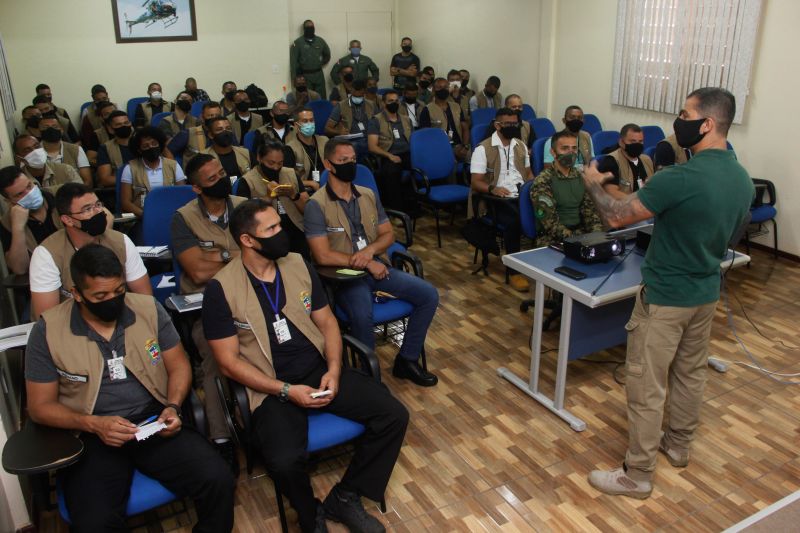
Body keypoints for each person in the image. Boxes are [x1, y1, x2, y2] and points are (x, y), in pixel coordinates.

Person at [583, 87, 754, 499]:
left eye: (685, 114)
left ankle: (638, 474)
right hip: (705, 292)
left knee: (646, 385)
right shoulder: (741, 178)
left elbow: (615, 217)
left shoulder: (680, 177)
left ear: (707, 124)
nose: (678, 123)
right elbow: (731, 235)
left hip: (665, 297)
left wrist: (593, 185)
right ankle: (678, 445)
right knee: (690, 373)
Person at [205, 199, 407, 533]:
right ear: (247, 240)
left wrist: (333, 368)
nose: (281, 232)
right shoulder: (221, 289)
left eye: (279, 224)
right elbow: (228, 363)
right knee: (284, 462)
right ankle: (309, 514)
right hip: (269, 385)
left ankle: (346, 496)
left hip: (317, 369)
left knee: (394, 415)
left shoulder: (297, 264)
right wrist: (286, 390)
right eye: (271, 229)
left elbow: (327, 323)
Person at [25, 244, 235, 533]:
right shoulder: (49, 330)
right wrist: (93, 424)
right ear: (76, 294)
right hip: (92, 434)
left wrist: (172, 406)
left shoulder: (148, 309)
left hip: (152, 421)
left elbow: (179, 365)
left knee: (218, 479)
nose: (112, 301)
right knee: (94, 522)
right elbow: (40, 407)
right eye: (100, 296)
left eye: (119, 291)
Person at [305, 140, 439, 387]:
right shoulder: (316, 204)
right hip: (343, 276)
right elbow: (322, 255)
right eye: (343, 160)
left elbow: (388, 235)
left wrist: (369, 252)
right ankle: (368, 379)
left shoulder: (367, 194)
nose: (350, 164)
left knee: (428, 295)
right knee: (361, 314)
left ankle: (407, 360)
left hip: (376, 266)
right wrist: (366, 262)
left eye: (353, 159)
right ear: (328, 164)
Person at [171, 154, 246, 468]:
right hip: (207, 303)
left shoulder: (244, 206)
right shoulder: (183, 218)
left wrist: (216, 255)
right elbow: (198, 272)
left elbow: (264, 253)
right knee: (216, 358)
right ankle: (221, 438)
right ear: (197, 188)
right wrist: (235, 253)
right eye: (212, 179)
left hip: (249, 296)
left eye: (222, 173)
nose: (222, 180)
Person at [29, 183, 151, 319]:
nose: (97, 212)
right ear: (68, 220)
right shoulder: (46, 254)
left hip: (119, 318)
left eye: (98, 205)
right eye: (87, 209)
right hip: (71, 325)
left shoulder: (121, 241)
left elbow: (145, 299)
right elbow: (47, 318)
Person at [469, 108, 533, 291]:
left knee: (544, 212)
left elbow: (528, 173)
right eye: (508, 124)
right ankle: (514, 271)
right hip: (495, 200)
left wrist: (535, 186)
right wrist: (493, 189)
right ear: (497, 125)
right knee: (515, 221)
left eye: (516, 123)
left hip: (520, 195)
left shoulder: (520, 145)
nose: (513, 127)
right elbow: (476, 182)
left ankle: (539, 262)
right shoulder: (483, 149)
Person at [532, 131, 603, 247]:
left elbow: (591, 213)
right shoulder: (543, 181)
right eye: (565, 148)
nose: (571, 152)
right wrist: (576, 241)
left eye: (574, 148)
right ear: (553, 152)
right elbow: (549, 223)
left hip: (580, 235)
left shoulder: (581, 177)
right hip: (552, 239)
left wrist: (597, 236)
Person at [240, 141, 311, 257]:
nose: (275, 168)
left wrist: (294, 195)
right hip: (267, 233)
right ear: (259, 158)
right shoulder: (247, 181)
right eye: (271, 163)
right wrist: (268, 197)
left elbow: (307, 209)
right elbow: (245, 218)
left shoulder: (291, 174)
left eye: (280, 163)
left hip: (296, 228)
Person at [0, 166, 62, 275]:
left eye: (29, 186)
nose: (29, 193)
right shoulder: (6, 222)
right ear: (9, 201)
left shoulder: (59, 195)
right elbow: (19, 269)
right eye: (20, 194)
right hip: (43, 275)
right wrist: (18, 228)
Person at [119, 126, 186, 217]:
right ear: (139, 150)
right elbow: (125, 202)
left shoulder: (173, 165)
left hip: (171, 215)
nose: (151, 147)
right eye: (145, 146)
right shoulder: (130, 168)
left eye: (154, 143)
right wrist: (146, 215)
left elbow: (181, 195)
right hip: (141, 216)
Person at [367, 90, 413, 212]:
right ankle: (396, 211)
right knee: (392, 172)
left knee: (423, 165)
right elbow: (372, 146)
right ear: (383, 103)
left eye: (396, 101)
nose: (394, 103)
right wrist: (389, 155)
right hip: (387, 154)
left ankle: (415, 207)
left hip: (408, 153)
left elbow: (413, 140)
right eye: (390, 101)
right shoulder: (375, 120)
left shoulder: (406, 119)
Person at [419, 78, 471, 162]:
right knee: (451, 161)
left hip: (459, 145)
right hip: (439, 147)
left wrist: (465, 146)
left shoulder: (456, 106)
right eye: (439, 87)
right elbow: (425, 135)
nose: (443, 90)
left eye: (446, 87)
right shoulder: (427, 110)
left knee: (475, 157)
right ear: (434, 90)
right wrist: (446, 149)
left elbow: (465, 128)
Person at [597, 124, 654, 199]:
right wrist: (635, 202)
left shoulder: (647, 160)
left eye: (640, 141)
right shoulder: (611, 161)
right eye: (633, 142)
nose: (637, 145)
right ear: (621, 142)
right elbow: (611, 192)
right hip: (623, 204)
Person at [325, 79, 375, 163]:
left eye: (360, 96)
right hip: (352, 140)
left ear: (364, 92)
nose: (358, 98)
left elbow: (378, 122)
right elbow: (327, 128)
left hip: (369, 137)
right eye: (355, 96)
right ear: (351, 91)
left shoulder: (371, 105)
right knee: (356, 147)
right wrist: (339, 132)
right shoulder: (341, 106)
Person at [13, 134, 82, 193]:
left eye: (37, 146)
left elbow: (81, 193)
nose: (35, 152)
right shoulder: (17, 181)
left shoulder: (66, 170)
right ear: (19, 158)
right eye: (27, 150)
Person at [38, 114, 92, 186]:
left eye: (55, 126)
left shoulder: (76, 149)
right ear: (39, 132)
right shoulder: (34, 153)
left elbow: (87, 181)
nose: (50, 130)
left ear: (62, 130)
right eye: (45, 127)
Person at [167, 101, 223, 166]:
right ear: (202, 117)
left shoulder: (226, 133)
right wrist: (175, 169)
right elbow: (168, 151)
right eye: (211, 115)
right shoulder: (188, 133)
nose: (214, 118)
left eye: (217, 116)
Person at [286, 107, 326, 194]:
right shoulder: (290, 148)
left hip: (326, 185)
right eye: (305, 121)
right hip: (305, 190)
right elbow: (288, 178)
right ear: (296, 125)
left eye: (311, 120)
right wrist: (311, 183)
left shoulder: (324, 141)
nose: (309, 124)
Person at [543, 105, 594, 170]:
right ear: (564, 120)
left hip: (585, 173)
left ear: (583, 121)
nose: (576, 120)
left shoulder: (586, 137)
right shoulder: (552, 141)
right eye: (572, 117)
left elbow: (592, 160)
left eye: (579, 118)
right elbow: (548, 168)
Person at [290, 19, 332, 96]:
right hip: (305, 75)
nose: (310, 29)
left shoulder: (320, 41)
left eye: (312, 27)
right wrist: (294, 78)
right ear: (304, 29)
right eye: (308, 27)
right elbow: (293, 62)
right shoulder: (298, 43)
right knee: (307, 97)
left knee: (321, 96)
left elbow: (327, 55)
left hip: (318, 74)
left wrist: (320, 63)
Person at [96, 111, 134, 188]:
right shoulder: (105, 148)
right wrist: (133, 180)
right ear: (110, 129)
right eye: (118, 124)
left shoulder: (142, 143)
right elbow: (105, 179)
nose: (124, 126)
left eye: (126, 123)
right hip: (121, 188)